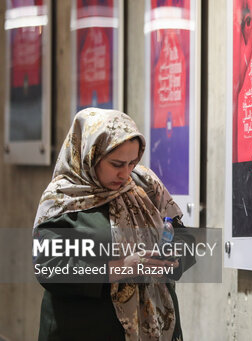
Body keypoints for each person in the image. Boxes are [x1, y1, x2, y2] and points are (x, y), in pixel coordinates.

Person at [33, 108, 195, 340]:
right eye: (116, 164)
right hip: (83, 328)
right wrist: (120, 267)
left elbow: (183, 238)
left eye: (132, 162)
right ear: (91, 154)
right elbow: (49, 269)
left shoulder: (145, 185)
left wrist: (171, 255)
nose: (125, 173)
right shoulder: (62, 198)